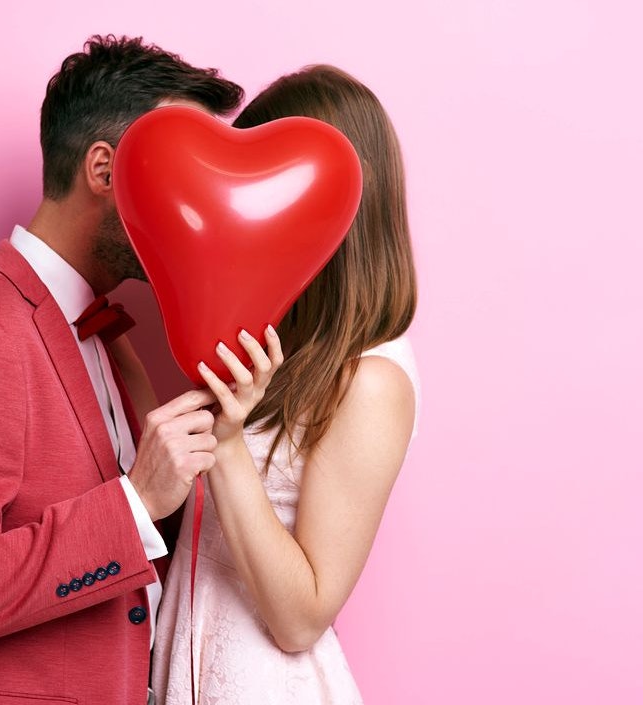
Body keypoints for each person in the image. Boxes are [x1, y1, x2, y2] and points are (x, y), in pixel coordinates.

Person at [0, 36, 242, 705]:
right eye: (182, 173)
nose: (198, 207)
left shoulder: (104, 336)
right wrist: (134, 502)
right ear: (105, 171)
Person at [151, 65, 422, 704]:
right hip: (179, 671)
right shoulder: (276, 345)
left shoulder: (375, 381)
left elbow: (301, 619)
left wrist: (228, 438)